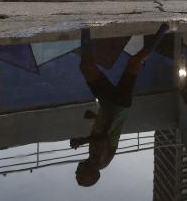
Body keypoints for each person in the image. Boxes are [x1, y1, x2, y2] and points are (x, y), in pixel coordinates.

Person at [70, 23, 170, 187]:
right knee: (87, 66)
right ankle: (85, 27)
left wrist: (95, 117)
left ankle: (163, 29)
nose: (76, 172)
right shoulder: (100, 162)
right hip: (114, 105)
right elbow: (102, 138)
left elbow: (106, 129)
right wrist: (82, 140)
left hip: (117, 105)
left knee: (134, 62)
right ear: (89, 174)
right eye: (79, 175)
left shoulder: (96, 160)